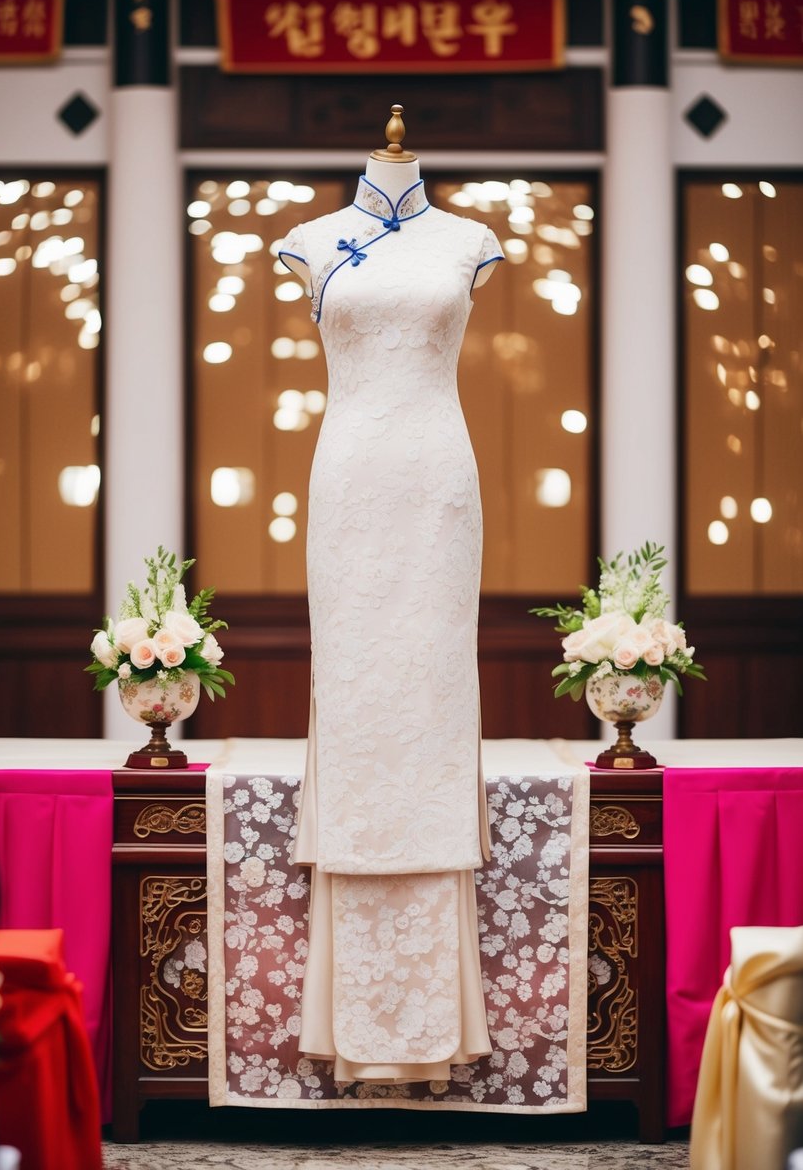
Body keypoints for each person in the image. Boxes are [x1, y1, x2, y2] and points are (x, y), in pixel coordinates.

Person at [278, 105, 503, 1083]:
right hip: (351, 480)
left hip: (438, 482)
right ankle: (354, 1017)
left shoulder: (471, 242)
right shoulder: (309, 241)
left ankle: (433, 1025)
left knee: (430, 694)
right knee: (362, 697)